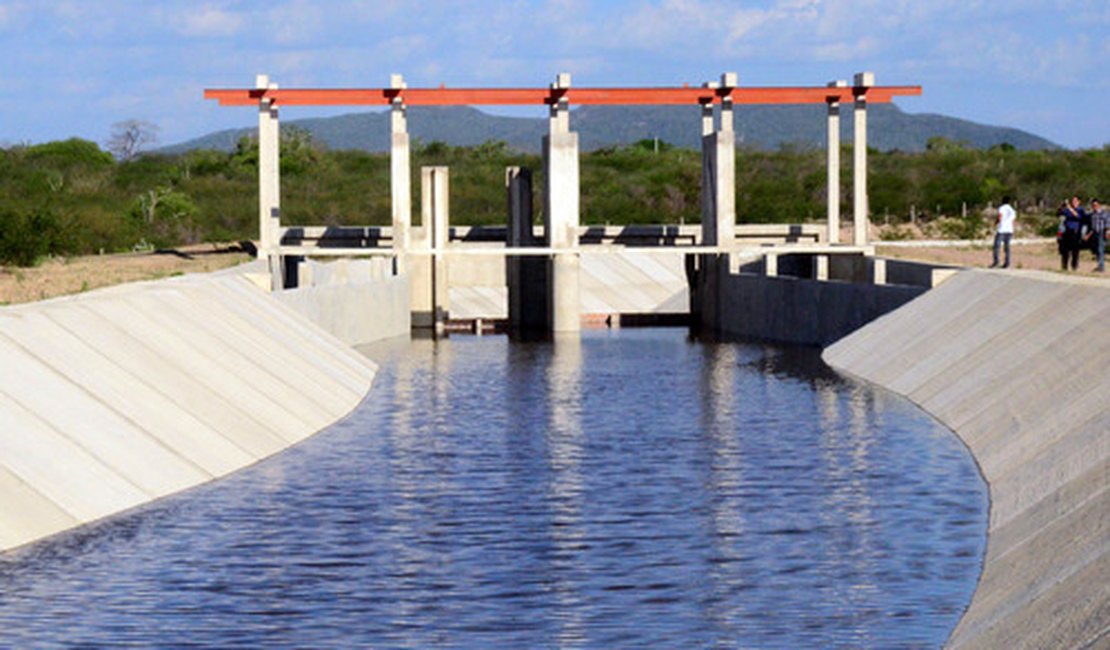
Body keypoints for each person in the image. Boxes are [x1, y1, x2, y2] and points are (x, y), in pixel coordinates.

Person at [1058, 196, 1085, 271]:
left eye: (1075, 201)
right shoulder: (1067, 210)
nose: (1074, 202)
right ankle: (1064, 266)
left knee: (1075, 251)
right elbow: (1059, 213)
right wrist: (1062, 206)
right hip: (1067, 231)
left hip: (1076, 232)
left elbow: (1078, 216)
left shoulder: (1080, 210)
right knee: (1065, 250)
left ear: (1079, 202)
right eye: (1072, 201)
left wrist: (1069, 207)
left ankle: (1074, 266)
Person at [991, 196, 1016, 268]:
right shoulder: (1012, 210)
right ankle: (1007, 262)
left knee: (997, 246)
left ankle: (996, 261)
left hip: (1002, 229)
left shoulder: (1001, 208)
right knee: (1007, 247)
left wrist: (996, 222)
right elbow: (1013, 221)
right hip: (1009, 230)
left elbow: (1000, 216)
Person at [1091, 198, 1107, 272]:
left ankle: (1101, 267)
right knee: (1097, 250)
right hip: (1095, 233)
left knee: (1101, 249)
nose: (1094, 206)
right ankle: (1100, 265)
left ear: (1099, 205)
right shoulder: (1093, 214)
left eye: (1096, 205)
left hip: (1102, 232)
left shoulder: (1103, 213)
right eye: (1093, 205)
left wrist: (1108, 231)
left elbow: (1108, 221)